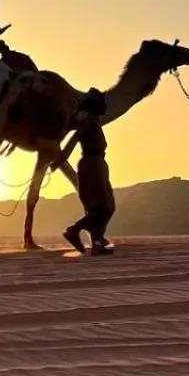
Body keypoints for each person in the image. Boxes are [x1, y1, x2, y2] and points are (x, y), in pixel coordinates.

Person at [60, 89, 116, 255]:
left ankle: (97, 243)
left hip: (96, 163)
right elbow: (74, 139)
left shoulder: (93, 122)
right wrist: (60, 159)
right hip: (92, 165)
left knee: (101, 207)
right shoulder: (89, 121)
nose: (105, 106)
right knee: (104, 207)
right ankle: (74, 230)